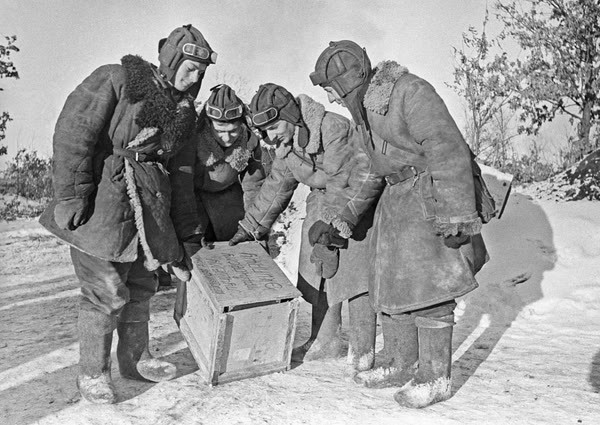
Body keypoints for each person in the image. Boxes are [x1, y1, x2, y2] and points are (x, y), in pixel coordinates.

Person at [39, 24, 216, 404]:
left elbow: (182, 178)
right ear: (170, 58)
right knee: (105, 290)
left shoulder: (184, 113)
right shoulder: (117, 79)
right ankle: (92, 374)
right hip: (102, 203)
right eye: (188, 66)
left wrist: (185, 236)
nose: (194, 76)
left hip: (150, 208)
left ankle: (136, 360)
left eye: (201, 72)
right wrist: (70, 195)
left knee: (140, 286)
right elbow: (75, 132)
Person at [309, 40, 488, 408]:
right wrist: (343, 216)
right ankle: (402, 363)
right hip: (395, 201)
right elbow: (367, 170)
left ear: (347, 80)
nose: (330, 100)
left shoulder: (409, 91)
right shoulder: (363, 116)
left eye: (330, 90)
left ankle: (435, 375)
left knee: (430, 290)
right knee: (390, 287)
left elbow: (446, 145)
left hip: (428, 194)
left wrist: (456, 213)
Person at [229, 83, 382, 371]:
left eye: (274, 127)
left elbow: (341, 179)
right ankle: (325, 340)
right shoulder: (285, 147)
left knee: (354, 276)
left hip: (355, 202)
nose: (270, 136)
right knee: (315, 270)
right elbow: (276, 188)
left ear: (290, 115)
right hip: (322, 200)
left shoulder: (332, 128)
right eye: (265, 131)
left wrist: (333, 229)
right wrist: (250, 228)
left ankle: (363, 350)